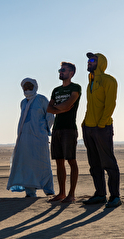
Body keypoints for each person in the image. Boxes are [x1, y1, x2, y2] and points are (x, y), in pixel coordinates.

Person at [82, 52, 121, 208]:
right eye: (88, 60)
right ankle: (100, 194)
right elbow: (90, 106)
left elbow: (110, 104)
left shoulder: (109, 81)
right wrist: (85, 124)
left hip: (102, 128)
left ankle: (115, 196)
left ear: (101, 63)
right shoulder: (90, 82)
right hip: (88, 128)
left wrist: (101, 124)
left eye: (92, 60)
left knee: (108, 163)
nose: (89, 62)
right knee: (94, 164)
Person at [7, 78, 55, 198]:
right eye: (25, 86)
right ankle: (30, 192)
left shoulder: (42, 99)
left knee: (43, 164)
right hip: (24, 139)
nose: (27, 88)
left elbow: (50, 116)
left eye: (30, 86)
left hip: (39, 137)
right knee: (27, 165)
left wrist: (44, 131)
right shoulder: (23, 102)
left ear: (35, 86)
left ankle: (49, 190)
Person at [47, 62, 81, 203]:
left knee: (71, 160)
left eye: (63, 70)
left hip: (69, 128)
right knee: (59, 162)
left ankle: (71, 194)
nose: (60, 72)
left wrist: (58, 107)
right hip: (57, 129)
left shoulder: (76, 87)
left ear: (71, 73)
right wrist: (60, 109)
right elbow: (49, 108)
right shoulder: (56, 90)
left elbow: (68, 105)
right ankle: (61, 193)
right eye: (60, 70)